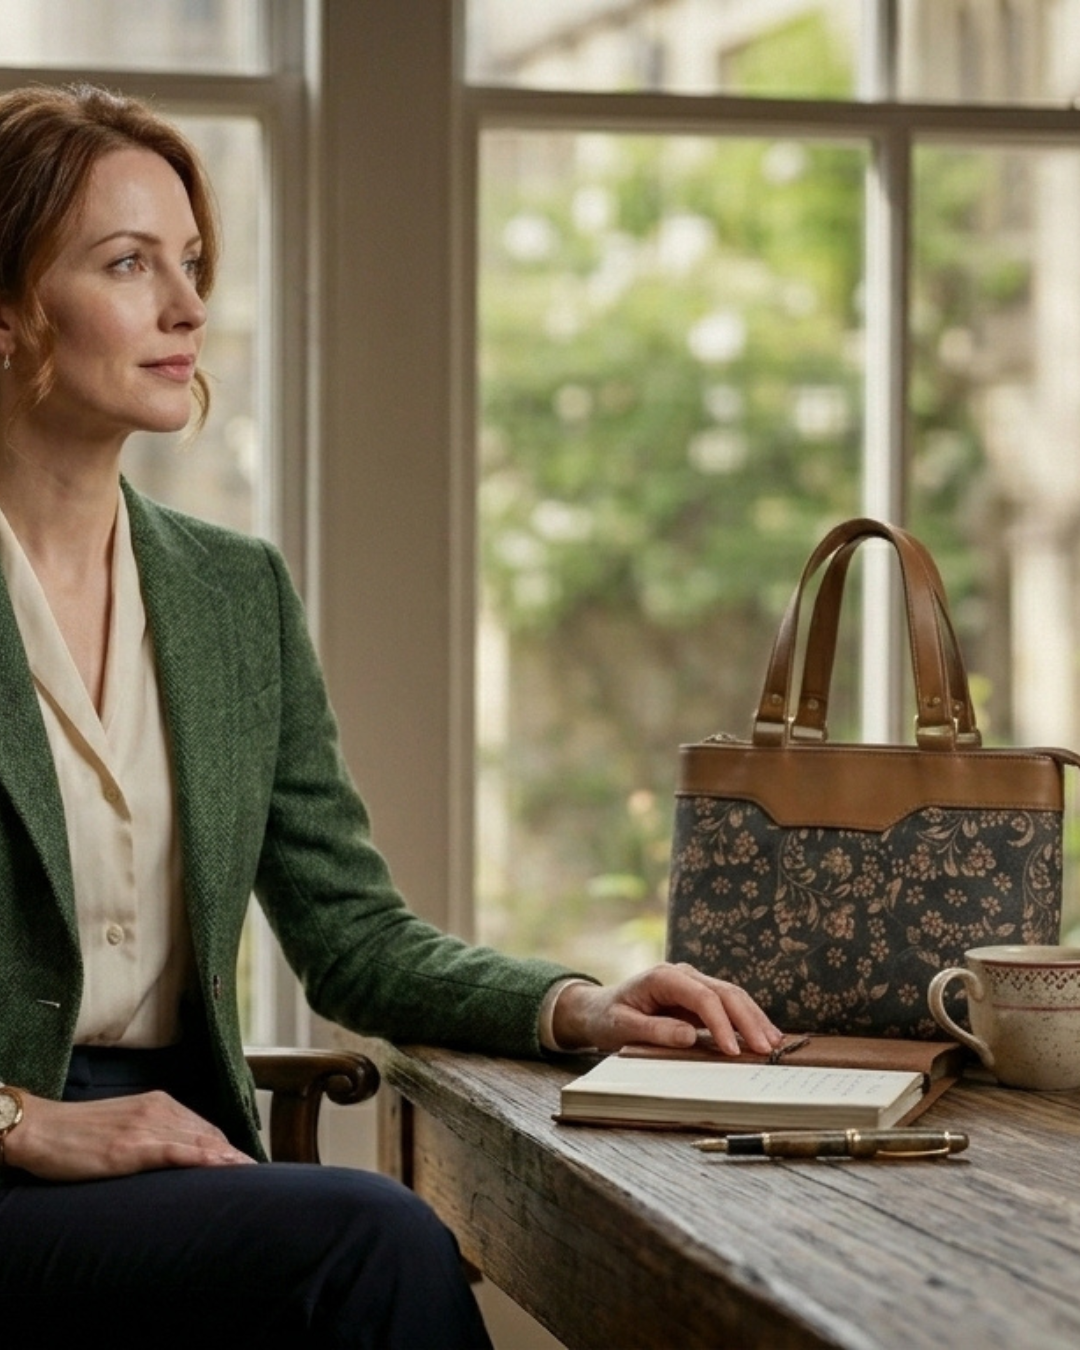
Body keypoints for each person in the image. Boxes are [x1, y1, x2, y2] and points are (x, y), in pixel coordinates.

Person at [0, 83, 782, 1348]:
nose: (188, 307)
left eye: (191, 262)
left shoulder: (230, 594)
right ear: (6, 308)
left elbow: (352, 935)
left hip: (179, 1153)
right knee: (373, 1243)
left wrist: (579, 1006)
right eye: (127, 263)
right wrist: (29, 1122)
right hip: (20, 1169)